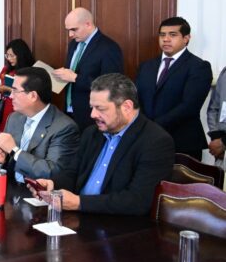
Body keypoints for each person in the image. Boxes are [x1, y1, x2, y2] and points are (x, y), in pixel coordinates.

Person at [29, 73, 174, 216]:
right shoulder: (92, 133)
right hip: (79, 216)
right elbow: (72, 173)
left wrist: (79, 202)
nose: (93, 115)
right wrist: (52, 184)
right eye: (92, 107)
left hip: (117, 225)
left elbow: (138, 201)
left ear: (127, 107)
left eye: (100, 108)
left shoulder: (155, 141)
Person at [135, 17, 213, 160]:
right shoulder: (146, 66)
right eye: (162, 35)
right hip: (146, 140)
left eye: (173, 35)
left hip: (182, 142)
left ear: (186, 38)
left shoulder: (198, 67)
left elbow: (189, 106)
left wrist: (153, 126)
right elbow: (136, 98)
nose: (166, 39)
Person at [0, 67, 79, 181]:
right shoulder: (14, 118)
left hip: (38, 191)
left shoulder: (64, 127)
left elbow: (52, 172)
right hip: (10, 186)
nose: (11, 96)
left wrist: (14, 151)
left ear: (33, 96)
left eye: (15, 90)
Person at [53, 7, 124, 129]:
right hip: (69, 113)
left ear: (88, 24)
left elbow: (112, 86)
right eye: (68, 30)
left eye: (74, 29)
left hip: (92, 115)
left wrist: (75, 78)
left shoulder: (109, 48)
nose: (70, 35)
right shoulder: (73, 44)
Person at [0, 38, 35, 131]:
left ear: (20, 55)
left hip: (19, 109)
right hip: (5, 107)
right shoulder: (7, 70)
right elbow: (3, 91)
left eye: (12, 55)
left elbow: (28, 95)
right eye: (7, 55)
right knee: (4, 131)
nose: (9, 58)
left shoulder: (30, 72)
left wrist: (8, 89)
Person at [207, 66, 226, 163]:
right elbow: (213, 108)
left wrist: (224, 142)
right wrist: (216, 138)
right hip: (220, 150)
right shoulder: (224, 73)